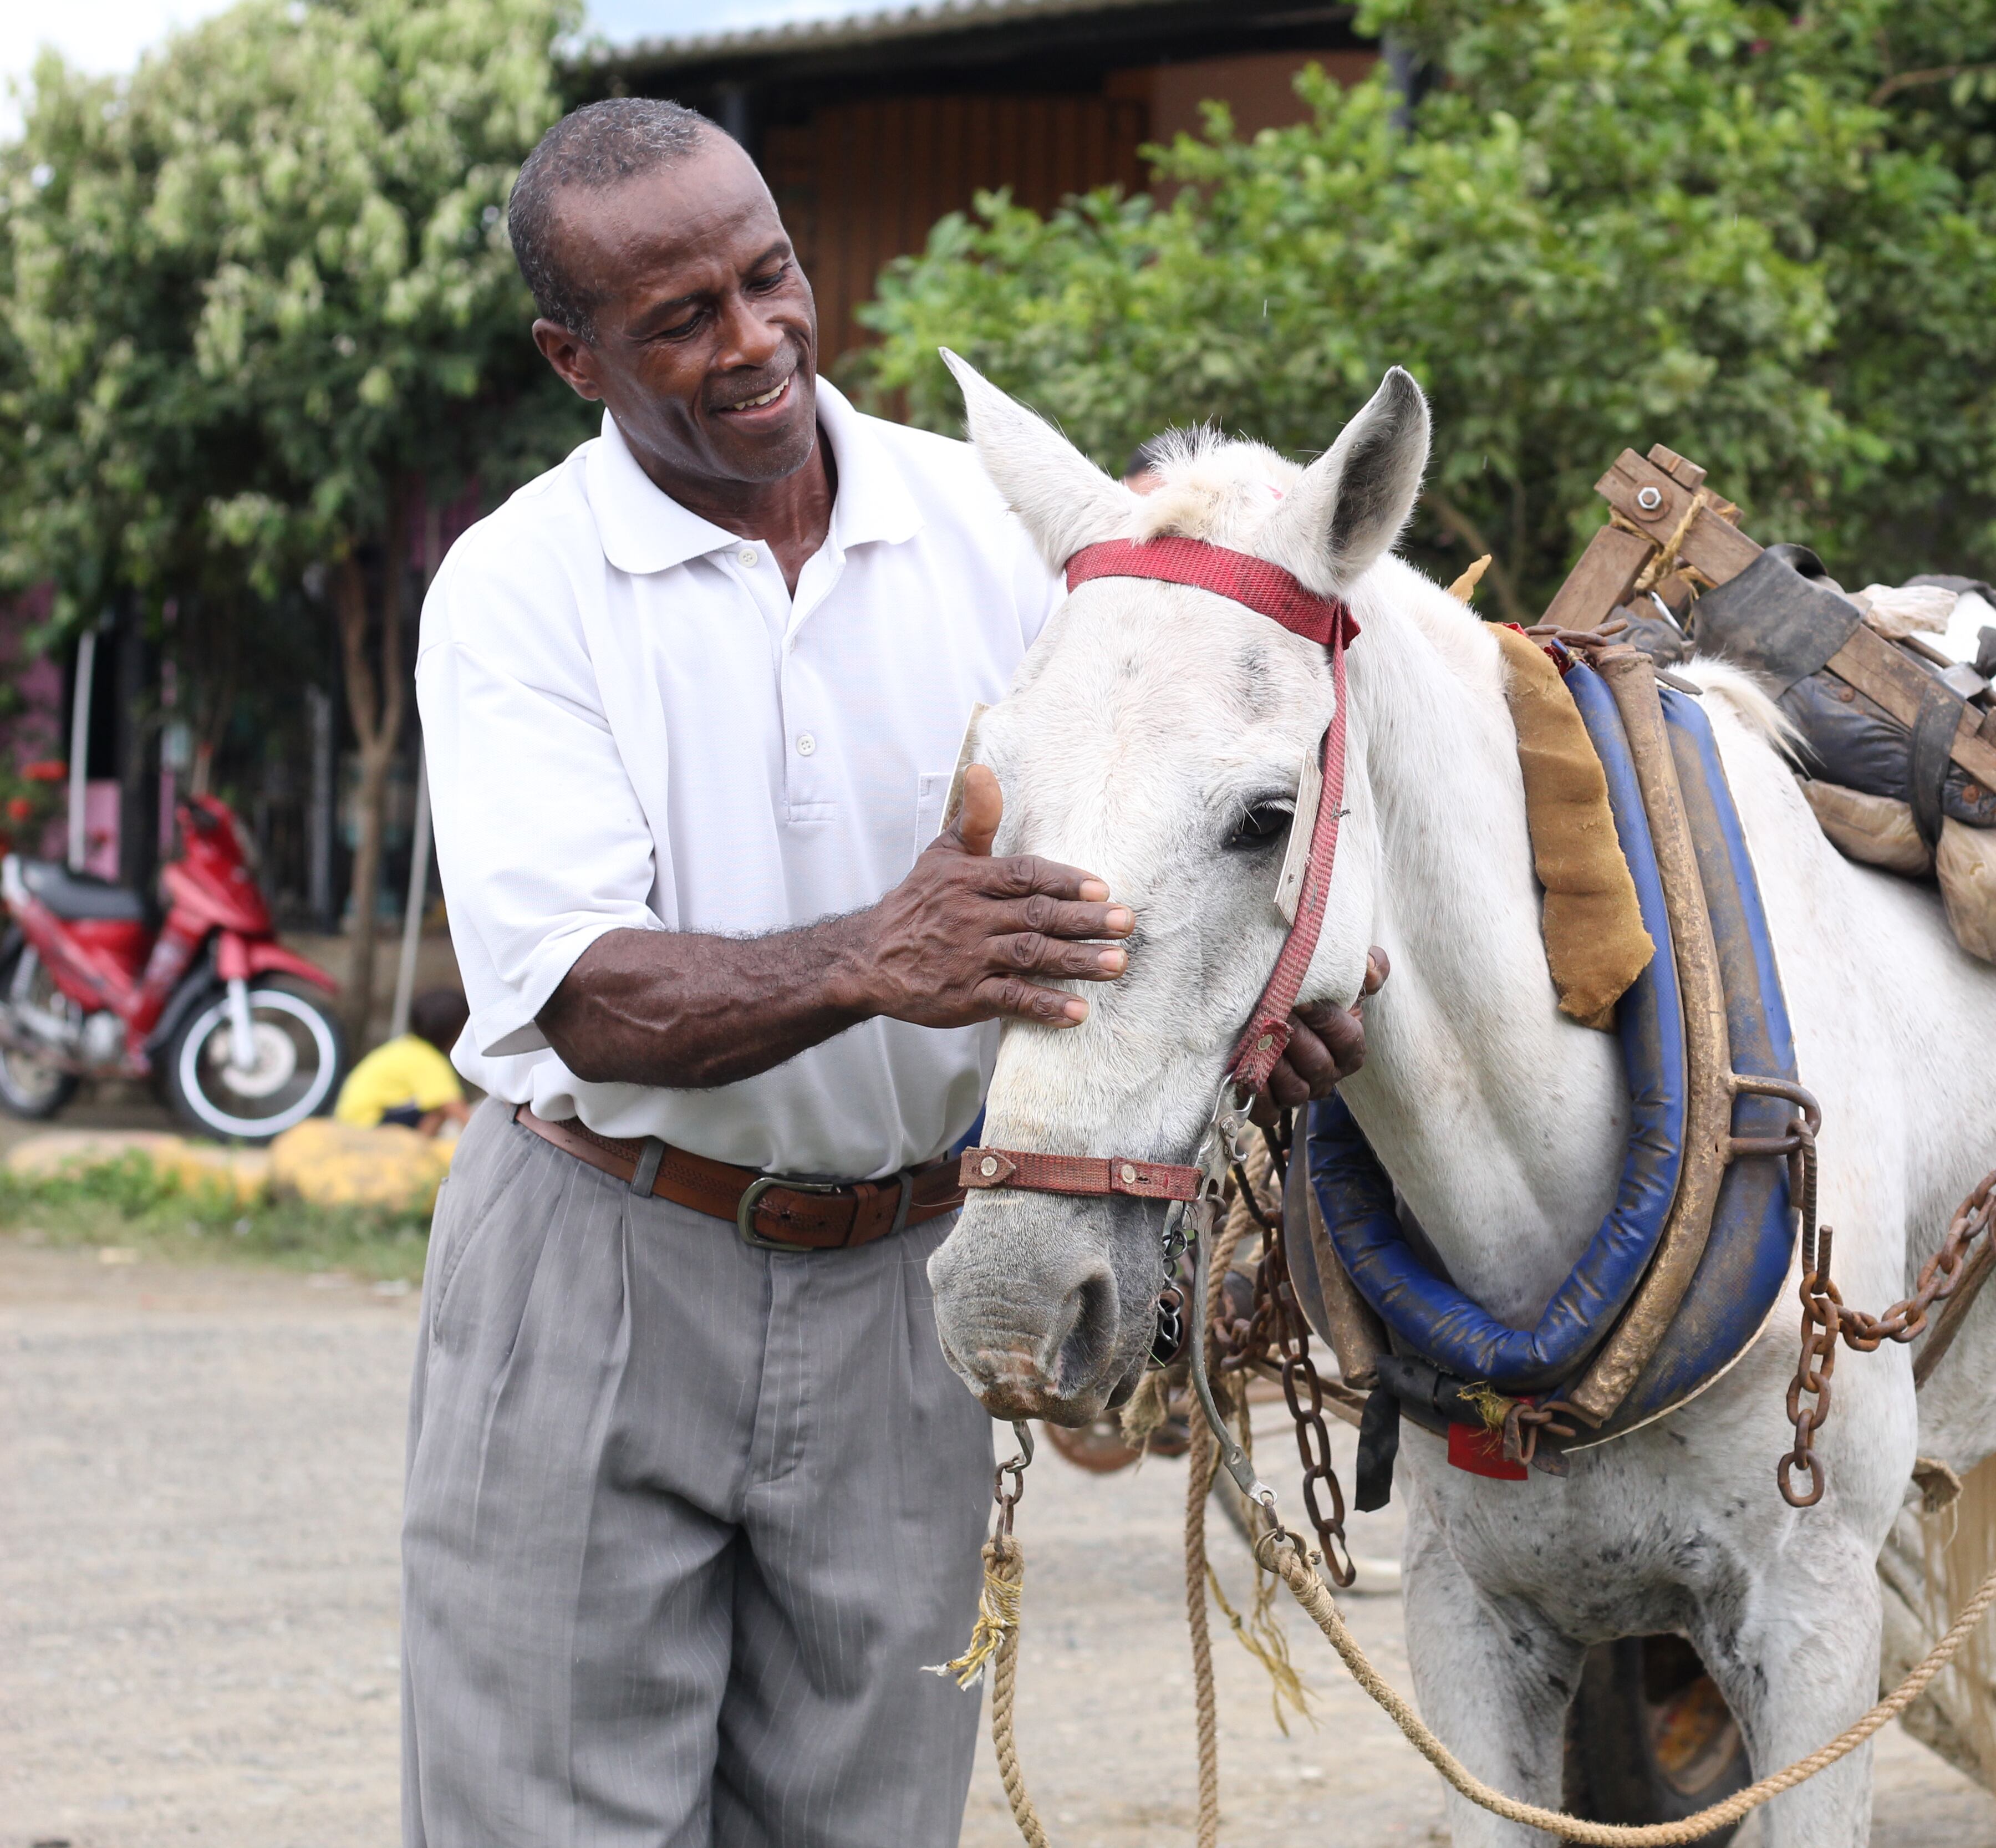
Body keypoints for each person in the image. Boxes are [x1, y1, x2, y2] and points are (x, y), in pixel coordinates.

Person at [403, 98, 1379, 1848]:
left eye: (768, 277)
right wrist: (875, 953)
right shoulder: (517, 589)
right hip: (600, 1258)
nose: (755, 339)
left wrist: (1254, 1017)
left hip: (907, 1273)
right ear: (574, 357)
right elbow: (580, 994)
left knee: (867, 1816)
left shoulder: (1005, 539)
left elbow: (1144, 858)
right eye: (678, 319)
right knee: (541, 1815)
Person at [334, 989, 471, 1134]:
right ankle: (419, 1148)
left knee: (433, 1103)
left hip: (353, 1118)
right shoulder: (428, 1060)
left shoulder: (407, 1047)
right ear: (457, 1032)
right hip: (370, 1124)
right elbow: (455, 1108)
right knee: (439, 1109)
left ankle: (420, 1146)